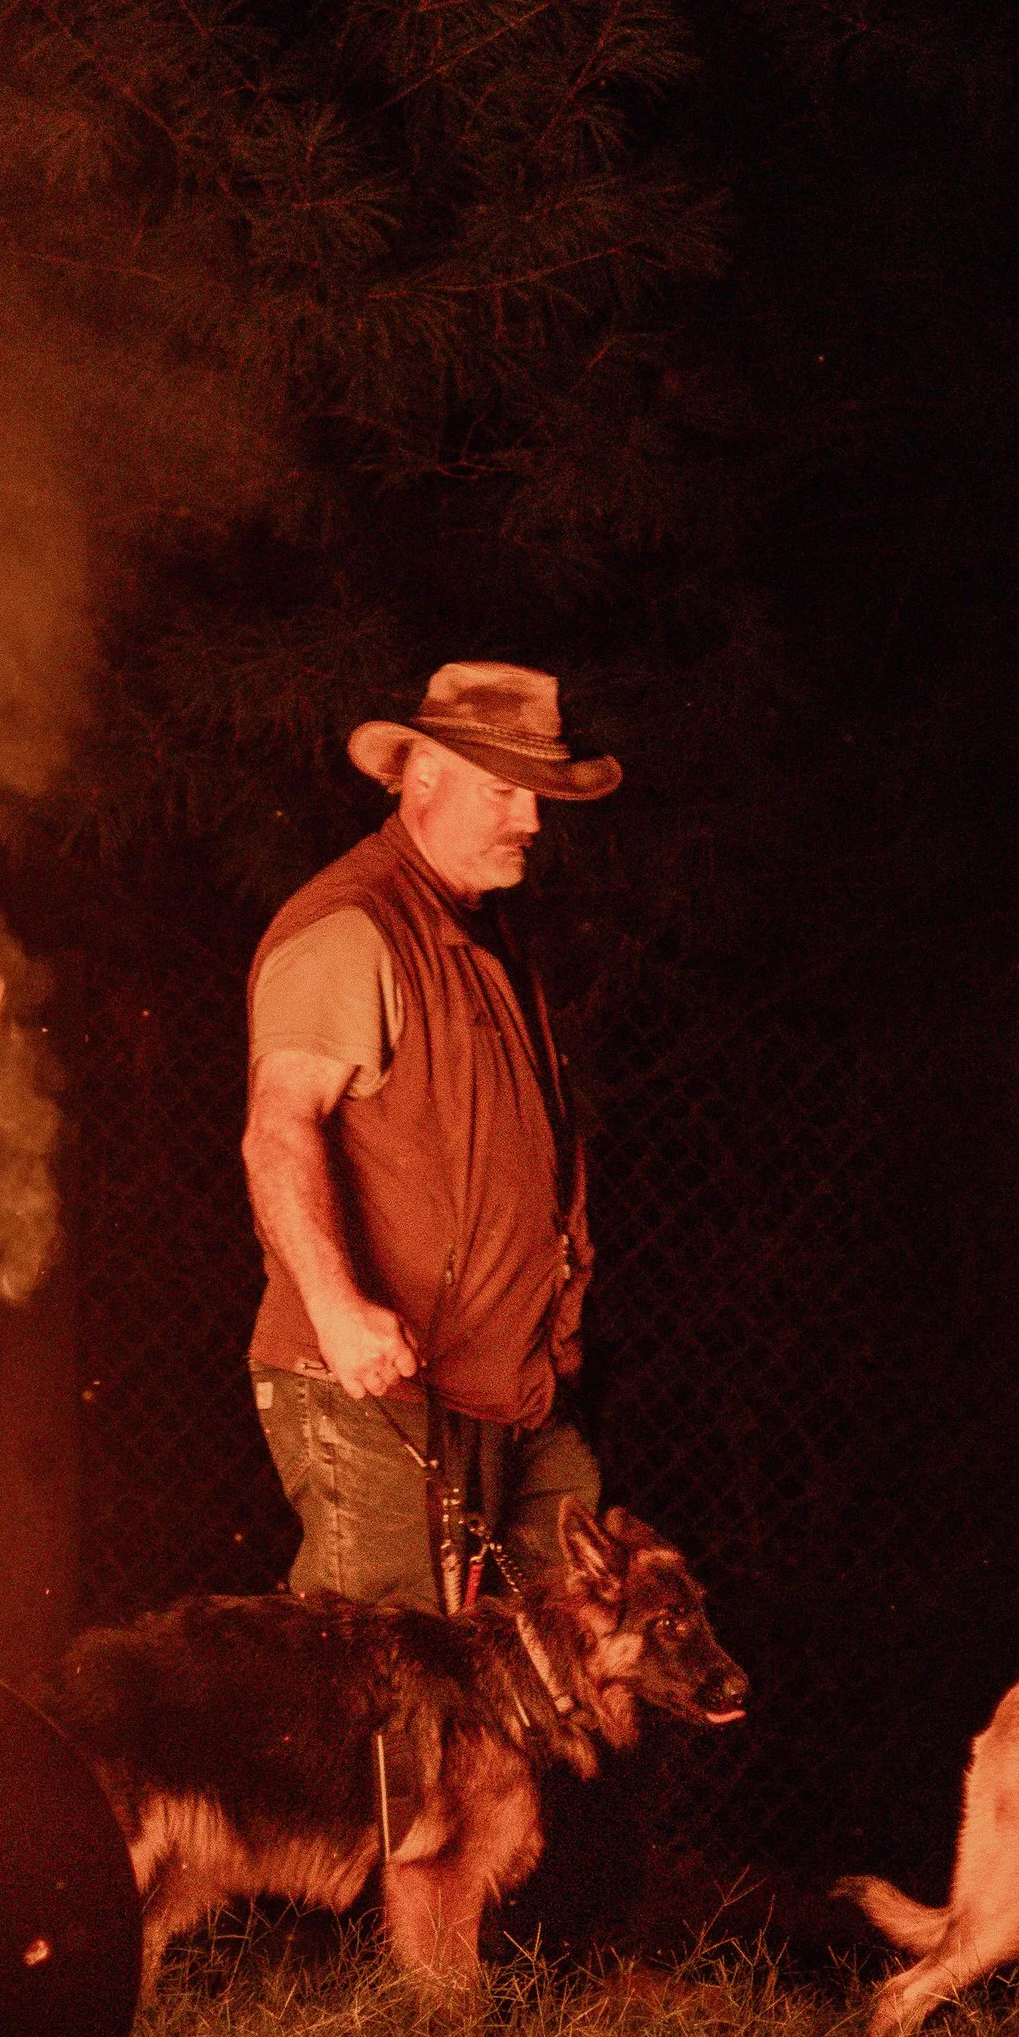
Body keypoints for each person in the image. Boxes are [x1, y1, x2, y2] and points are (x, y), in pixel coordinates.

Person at [242, 661, 620, 1611]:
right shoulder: (353, 927)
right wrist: (334, 1307)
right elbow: (278, 1129)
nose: (531, 820)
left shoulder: (483, 935)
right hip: (381, 1397)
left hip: (511, 1396)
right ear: (423, 776)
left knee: (551, 1679)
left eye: (537, 794)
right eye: (504, 790)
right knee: (384, 1698)